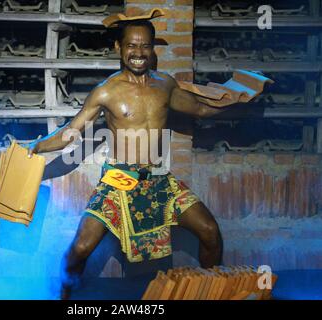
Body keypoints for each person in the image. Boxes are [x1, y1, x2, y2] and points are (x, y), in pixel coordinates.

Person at [28, 19, 270, 299]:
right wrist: (37, 147)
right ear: (118, 47)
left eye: (145, 46)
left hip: (158, 180)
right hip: (118, 181)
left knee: (209, 231)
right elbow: (71, 133)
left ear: (153, 49)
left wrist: (241, 97)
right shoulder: (105, 91)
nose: (138, 52)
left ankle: (210, 291)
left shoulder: (164, 85)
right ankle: (63, 295)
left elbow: (201, 109)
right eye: (131, 45)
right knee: (80, 249)